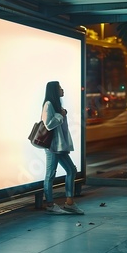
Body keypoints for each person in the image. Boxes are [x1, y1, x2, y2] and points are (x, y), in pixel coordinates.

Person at [41, 81, 84, 215]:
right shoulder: (48, 105)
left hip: (59, 146)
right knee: (51, 174)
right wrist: (61, 115)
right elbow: (48, 124)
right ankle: (51, 204)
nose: (62, 90)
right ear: (54, 91)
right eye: (60, 88)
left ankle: (69, 203)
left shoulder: (57, 105)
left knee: (69, 170)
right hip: (52, 146)